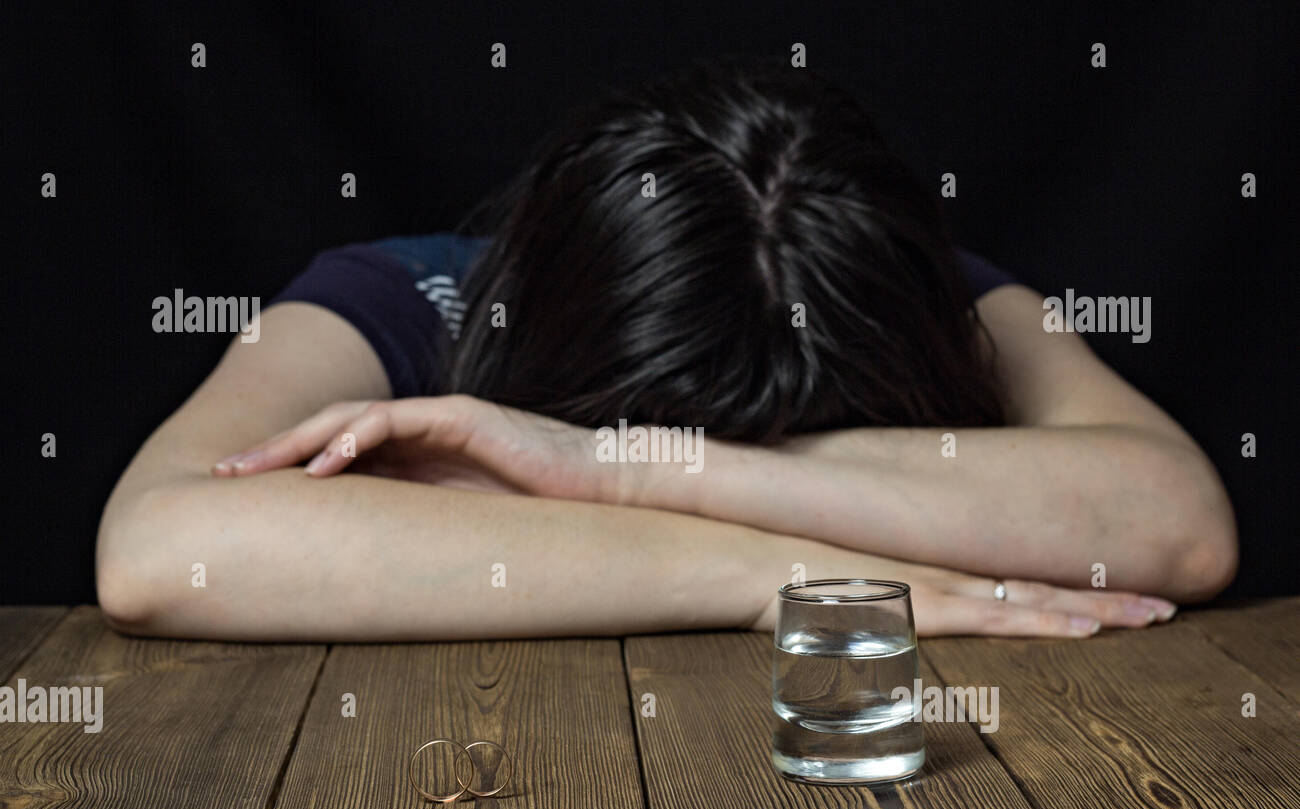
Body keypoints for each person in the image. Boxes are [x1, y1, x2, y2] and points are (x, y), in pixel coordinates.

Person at [95, 56, 1237, 642]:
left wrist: (626, 469)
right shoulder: (399, 300)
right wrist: (769, 574)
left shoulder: (944, 303)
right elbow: (158, 550)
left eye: (807, 451)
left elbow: (1176, 522)